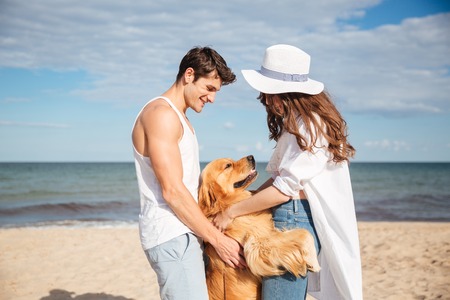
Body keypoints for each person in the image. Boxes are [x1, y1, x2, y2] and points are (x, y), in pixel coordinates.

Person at [213, 44, 363, 299]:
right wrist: (246, 198)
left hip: (292, 218)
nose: (268, 101)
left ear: (289, 92)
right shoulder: (302, 124)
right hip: (293, 216)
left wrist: (230, 212)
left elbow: (284, 189)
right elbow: (277, 179)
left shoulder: (309, 126)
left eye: (272, 94)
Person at [132, 46, 246, 300]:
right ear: (189, 75)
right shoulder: (161, 115)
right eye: (209, 88)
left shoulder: (178, 117)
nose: (212, 98)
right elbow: (172, 191)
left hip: (185, 231)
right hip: (172, 233)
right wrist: (218, 240)